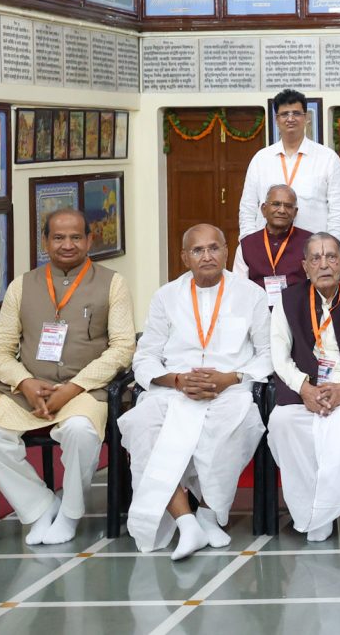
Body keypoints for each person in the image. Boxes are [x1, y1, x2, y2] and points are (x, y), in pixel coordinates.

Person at [0, 209, 134, 546]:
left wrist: (73, 388)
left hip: (84, 391)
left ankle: (69, 514)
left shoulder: (113, 283)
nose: (67, 245)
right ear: (45, 242)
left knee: (80, 431)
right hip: (25, 392)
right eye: (58, 237)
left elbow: (123, 348)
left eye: (75, 237)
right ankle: (40, 506)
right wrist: (25, 383)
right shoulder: (21, 286)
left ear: (89, 240)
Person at [120, 225, 272, 559]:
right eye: (198, 250)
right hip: (174, 391)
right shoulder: (165, 296)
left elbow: (267, 354)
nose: (207, 256)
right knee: (140, 425)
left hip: (229, 391)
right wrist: (176, 380)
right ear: (184, 257)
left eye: (214, 248)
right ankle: (185, 522)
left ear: (226, 252)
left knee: (238, 425)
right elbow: (145, 356)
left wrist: (231, 378)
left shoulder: (251, 295)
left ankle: (207, 514)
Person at [268, 233, 340, 542]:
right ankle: (311, 509)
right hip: (305, 386)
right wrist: (304, 388)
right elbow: (279, 357)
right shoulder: (287, 300)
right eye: (316, 258)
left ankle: (330, 507)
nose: (324, 265)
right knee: (282, 423)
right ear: (305, 266)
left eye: (331, 257)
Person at [239, 89, 340, 242]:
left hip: (313, 248)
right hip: (267, 247)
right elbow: (247, 208)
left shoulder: (328, 158)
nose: (290, 119)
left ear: (306, 118)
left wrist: (332, 246)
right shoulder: (261, 159)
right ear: (276, 119)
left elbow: (338, 210)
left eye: (296, 113)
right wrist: (249, 244)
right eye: (284, 114)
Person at [232, 183, 310, 301]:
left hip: (297, 307)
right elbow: (239, 288)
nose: (282, 210)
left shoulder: (310, 242)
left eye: (288, 206)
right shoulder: (247, 245)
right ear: (264, 209)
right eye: (276, 204)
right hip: (258, 308)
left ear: (295, 212)